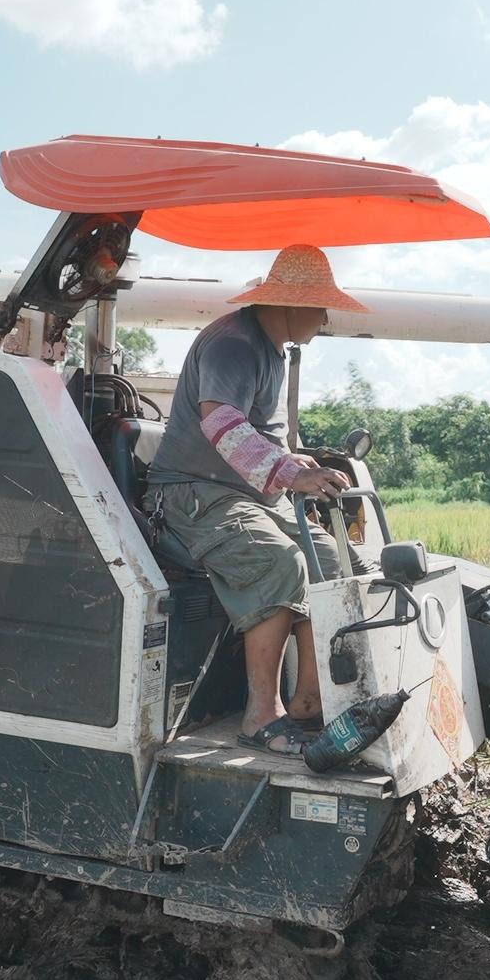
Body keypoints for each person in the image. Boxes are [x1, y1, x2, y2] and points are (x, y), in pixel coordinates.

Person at [143, 245, 360, 754]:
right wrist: (285, 471)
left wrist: (294, 461)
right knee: (277, 562)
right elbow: (221, 423)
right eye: (322, 307)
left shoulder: (268, 348)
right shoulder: (234, 344)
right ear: (292, 303)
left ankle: (310, 701)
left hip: (242, 493)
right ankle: (260, 716)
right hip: (192, 494)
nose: (326, 319)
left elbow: (258, 431)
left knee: (329, 559)